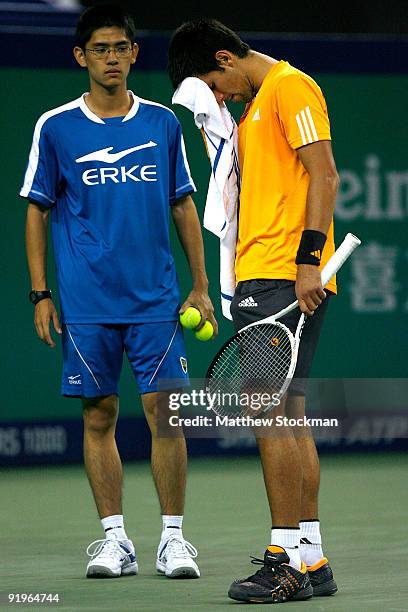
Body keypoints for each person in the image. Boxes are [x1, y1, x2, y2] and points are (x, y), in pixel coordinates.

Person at [21, 4, 217, 580]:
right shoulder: (55, 127)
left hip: (157, 301)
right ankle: (115, 541)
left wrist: (200, 285)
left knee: (166, 418)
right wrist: (41, 293)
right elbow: (37, 209)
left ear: (134, 54)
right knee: (98, 417)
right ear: (81, 57)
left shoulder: (162, 123)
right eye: (100, 49)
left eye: (121, 48)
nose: (112, 58)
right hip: (86, 303)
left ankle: (173, 540)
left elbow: (184, 203)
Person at [168, 19, 339, 604]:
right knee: (290, 417)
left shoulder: (292, 88)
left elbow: (325, 173)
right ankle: (311, 558)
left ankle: (283, 559)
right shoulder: (257, 107)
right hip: (263, 277)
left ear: (226, 56)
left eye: (216, 85)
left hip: (283, 277)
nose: (222, 98)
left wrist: (309, 260)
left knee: (270, 417)